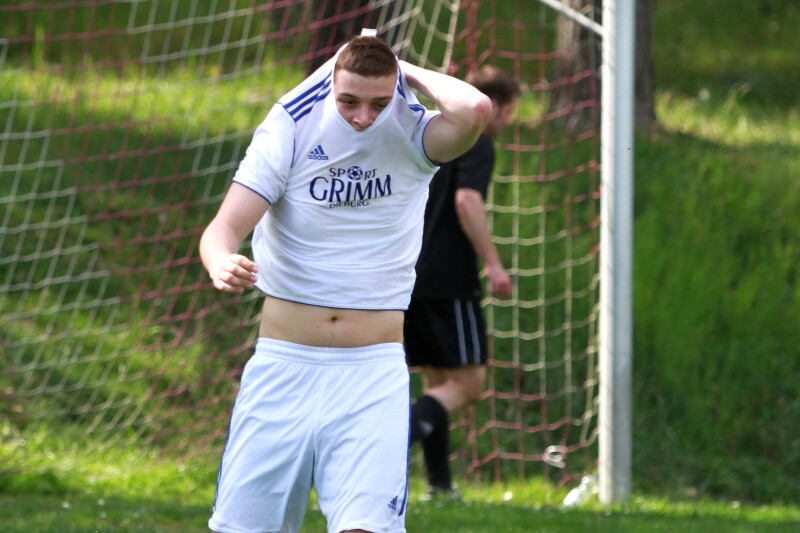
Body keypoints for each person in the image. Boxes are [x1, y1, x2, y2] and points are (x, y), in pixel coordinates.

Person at [200, 33, 491, 533]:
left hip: (371, 374)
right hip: (283, 368)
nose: (362, 117)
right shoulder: (291, 127)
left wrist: (403, 69)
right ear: (331, 84)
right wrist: (220, 261)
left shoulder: (413, 132)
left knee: (366, 527)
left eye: (378, 103)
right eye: (349, 101)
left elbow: (475, 109)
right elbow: (221, 229)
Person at [404, 65, 520, 499]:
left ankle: (440, 486)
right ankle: (389, 443)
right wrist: (494, 264)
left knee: (436, 383)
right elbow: (467, 200)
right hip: (449, 278)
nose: (507, 122)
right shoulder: (478, 141)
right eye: (509, 112)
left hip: (410, 274)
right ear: (494, 107)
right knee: (468, 386)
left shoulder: (431, 136)